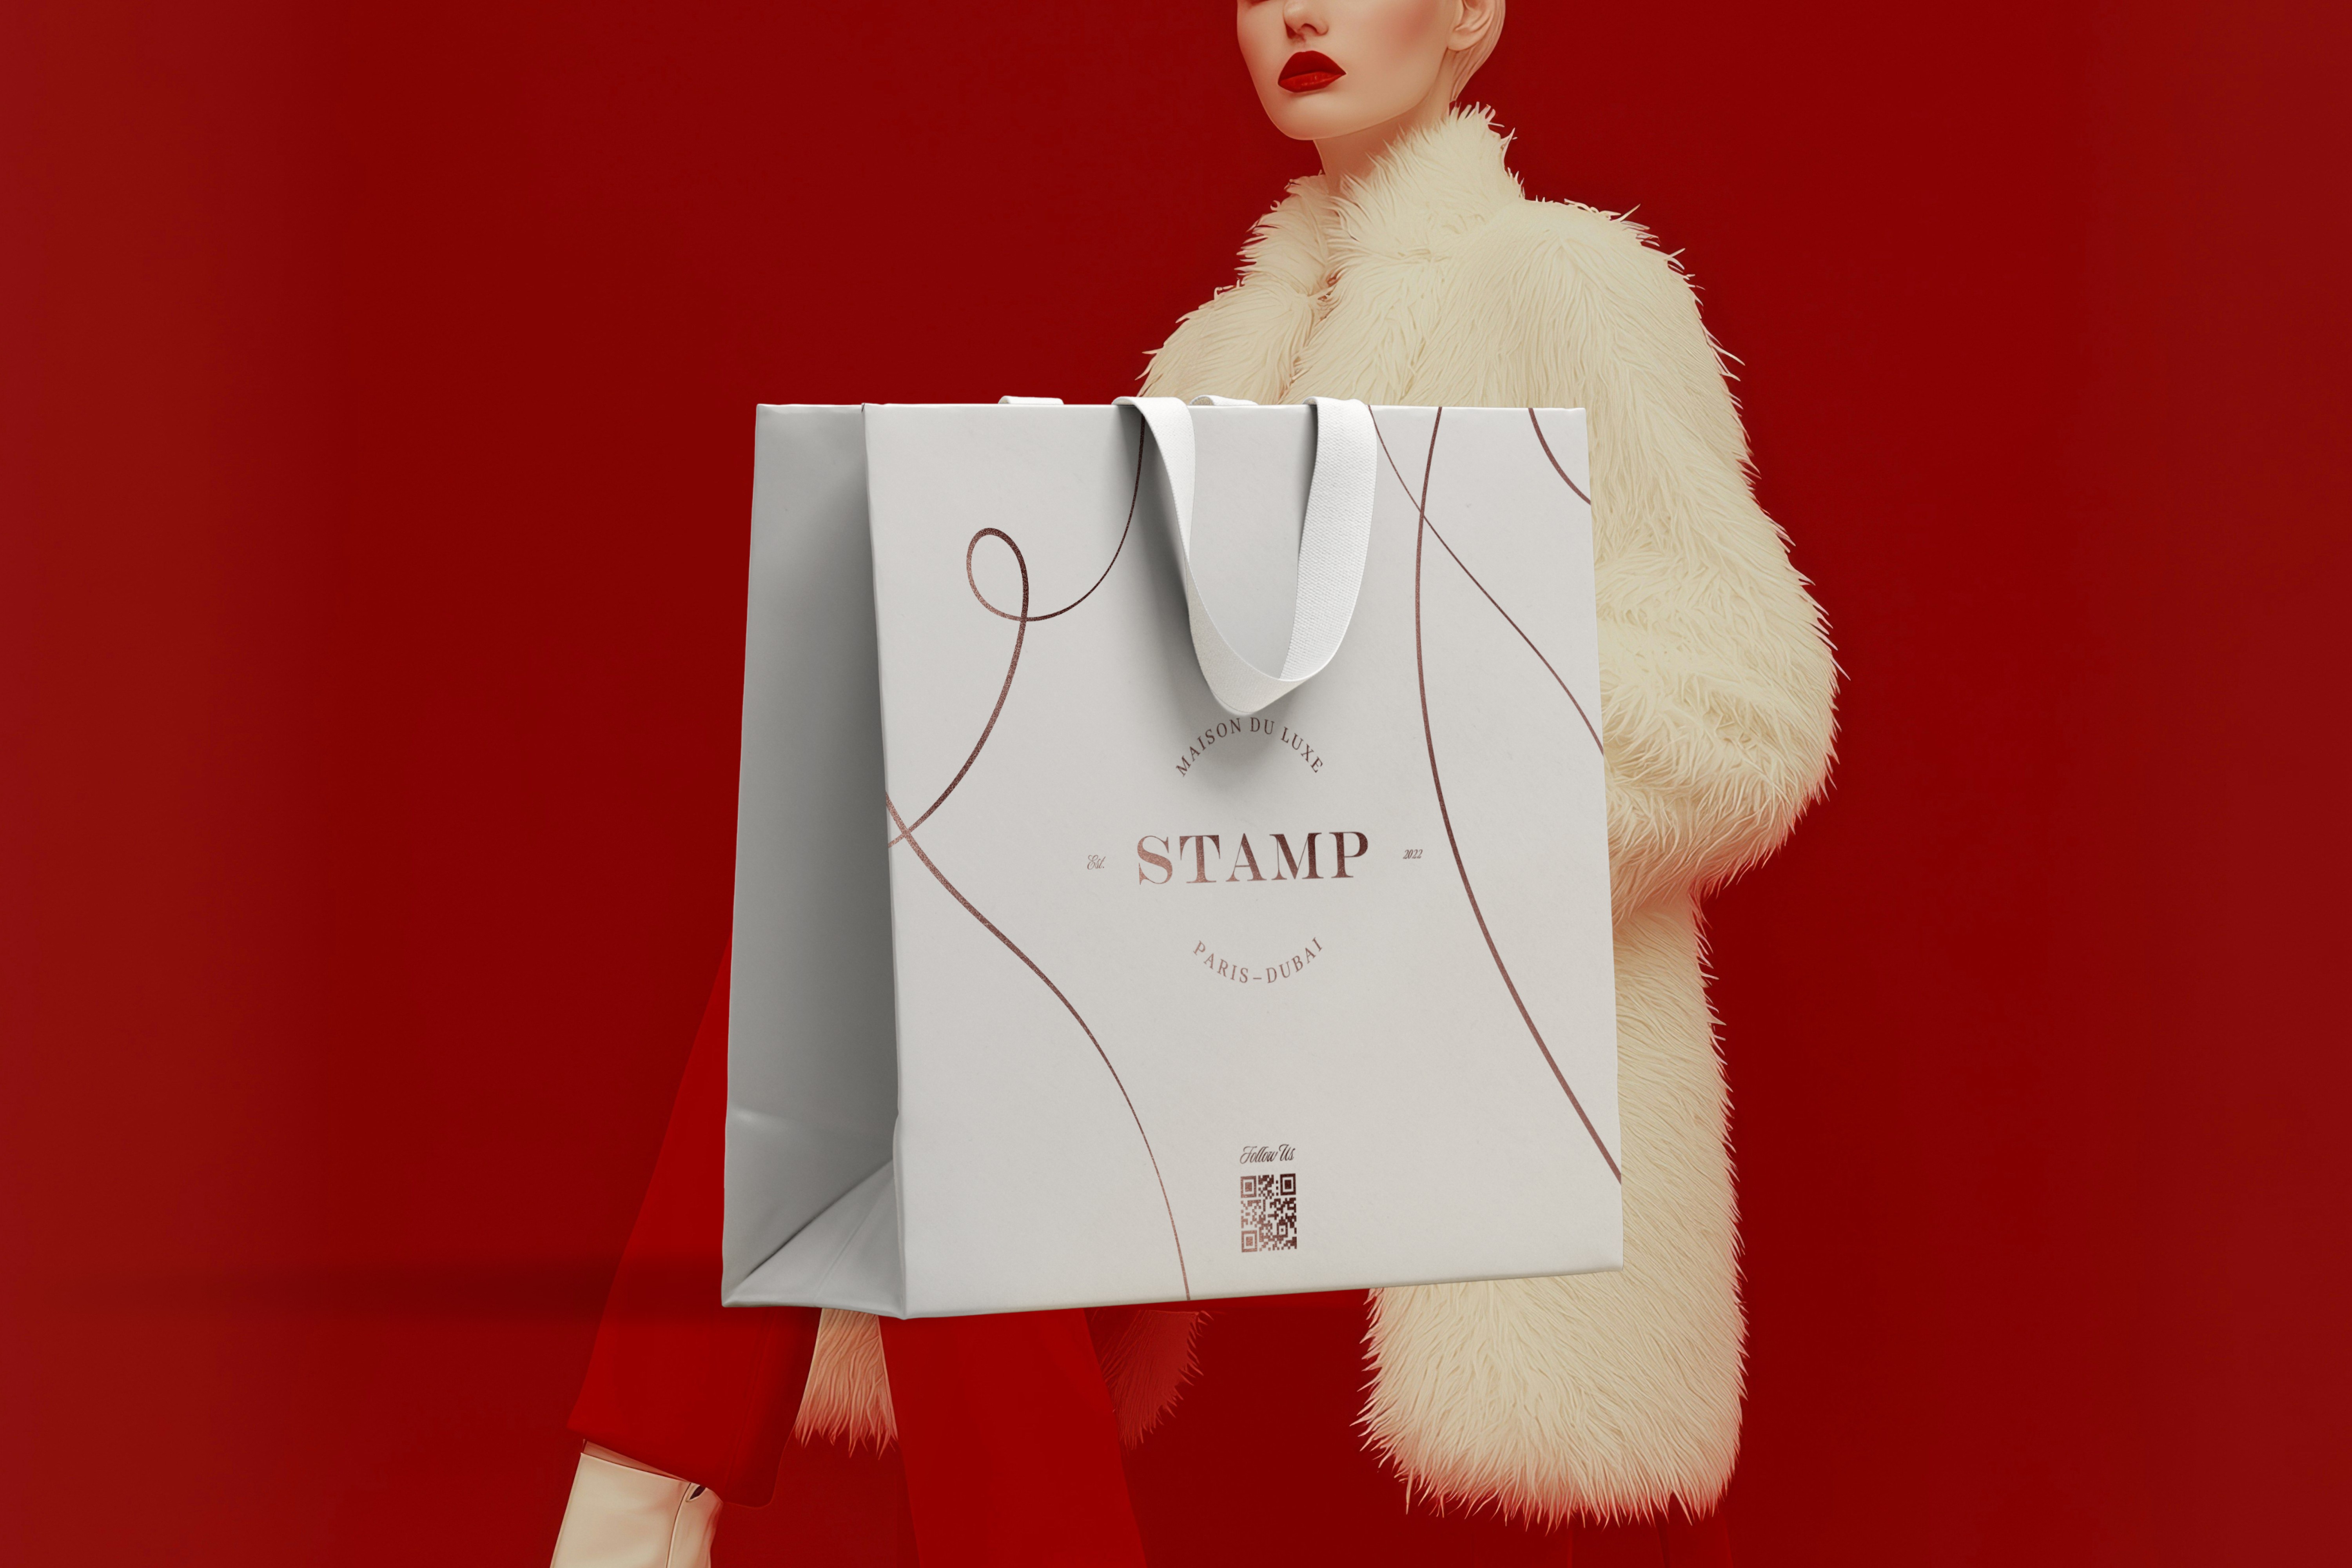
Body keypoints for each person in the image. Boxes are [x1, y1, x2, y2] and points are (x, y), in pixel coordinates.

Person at [550, 2, 1836, 1563]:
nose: (1295, 10)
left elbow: (1753, 707)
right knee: (911, 857)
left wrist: (1412, 718)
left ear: (1474, 17)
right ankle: (662, 1491)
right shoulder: (1207, 360)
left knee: (939, 949)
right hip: (1222, 950)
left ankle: (639, 1488)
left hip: (1445, 982)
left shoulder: (1568, 285)